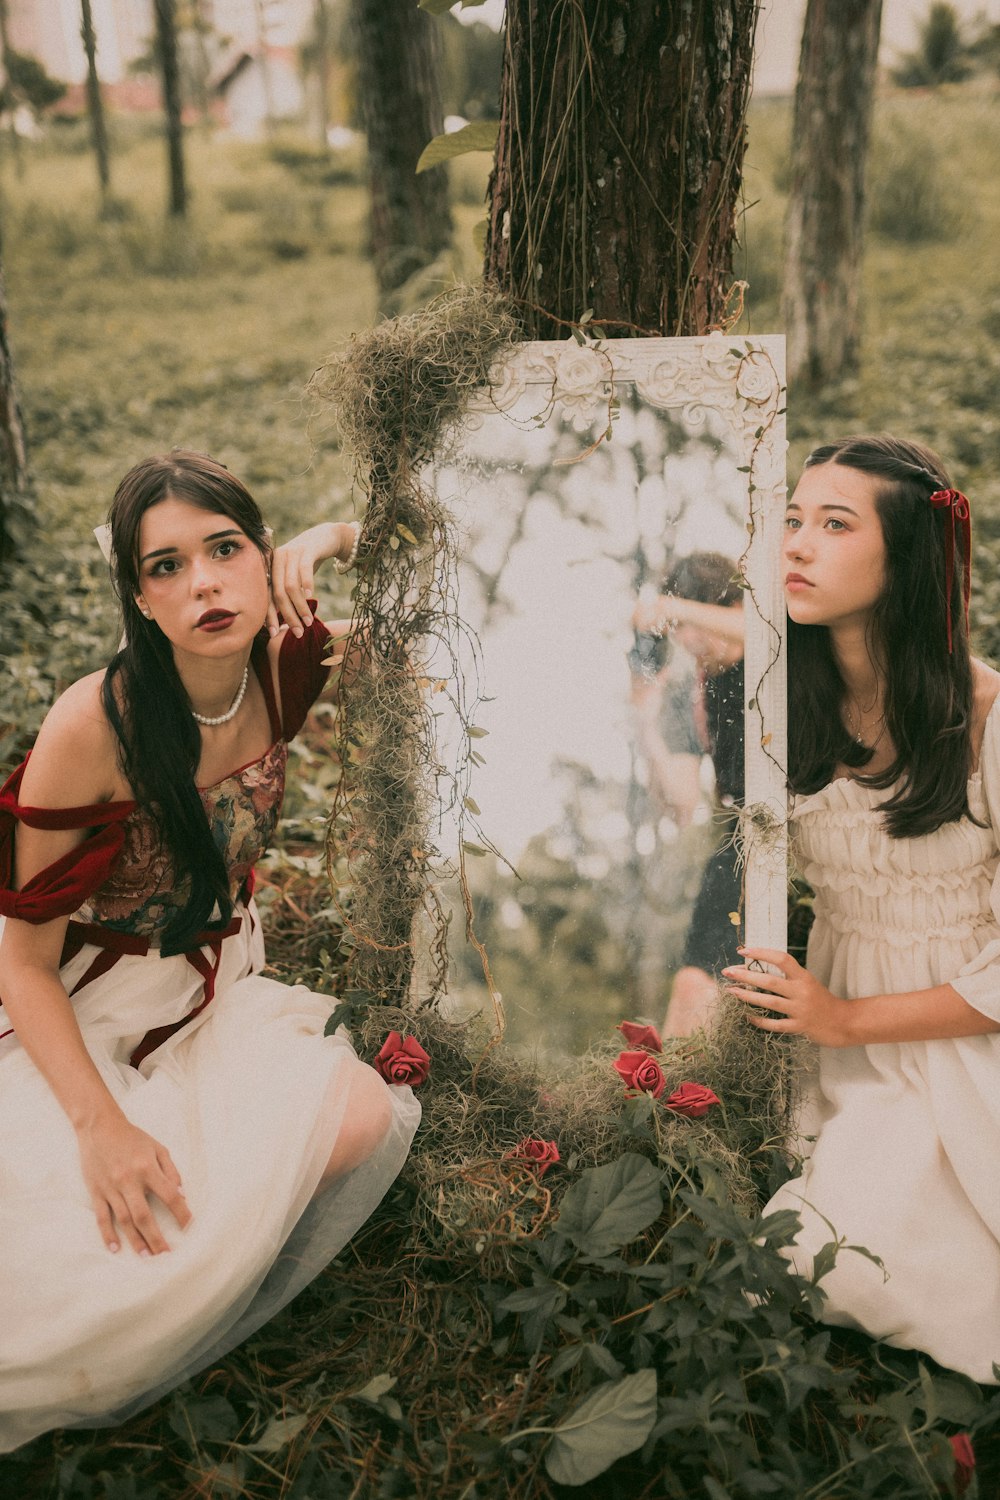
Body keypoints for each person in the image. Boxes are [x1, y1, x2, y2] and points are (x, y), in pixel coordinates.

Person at [0, 451, 421, 1451]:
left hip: (213, 986)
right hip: (75, 1004)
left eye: (226, 549)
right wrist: (101, 1129)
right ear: (139, 600)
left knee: (359, 1116)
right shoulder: (93, 724)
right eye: (166, 566)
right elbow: (20, 962)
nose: (203, 583)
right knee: (62, 1252)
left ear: (261, 559)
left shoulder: (293, 656)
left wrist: (323, 540)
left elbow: (428, 545)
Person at [723, 435, 1000, 1383]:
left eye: (835, 524)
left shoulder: (989, 717)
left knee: (868, 1261)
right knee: (800, 1248)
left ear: (907, 557)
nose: (794, 545)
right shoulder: (777, 706)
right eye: (790, 519)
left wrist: (844, 1020)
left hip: (962, 1031)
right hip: (834, 1026)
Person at [632, 554, 745, 1036]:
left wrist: (666, 606)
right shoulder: (693, 690)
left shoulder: (776, 654)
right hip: (740, 840)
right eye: (676, 629)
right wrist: (646, 727)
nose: (686, 639)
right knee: (692, 988)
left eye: (689, 621)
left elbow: (760, 626)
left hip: (803, 836)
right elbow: (681, 802)